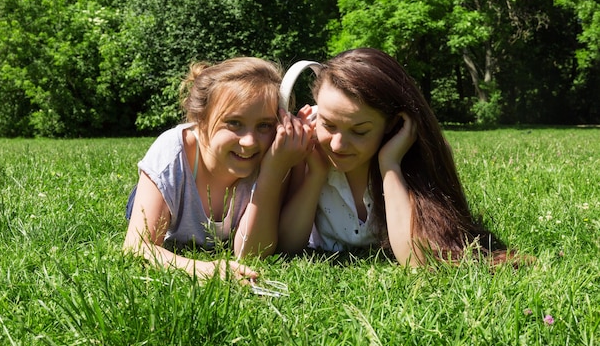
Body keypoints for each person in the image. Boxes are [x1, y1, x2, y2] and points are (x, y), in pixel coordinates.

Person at [278, 48, 512, 266]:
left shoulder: (414, 163)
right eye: (328, 124)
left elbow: (415, 261)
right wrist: (316, 173)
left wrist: (390, 166)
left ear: (392, 124)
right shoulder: (306, 153)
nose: (338, 144)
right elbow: (287, 247)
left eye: (360, 131)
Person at [124, 57, 313, 280]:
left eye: (264, 125)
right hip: (169, 196)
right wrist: (205, 269)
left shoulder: (275, 154)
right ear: (200, 119)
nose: (249, 142)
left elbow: (251, 253)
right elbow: (136, 248)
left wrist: (272, 172)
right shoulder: (172, 154)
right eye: (234, 123)